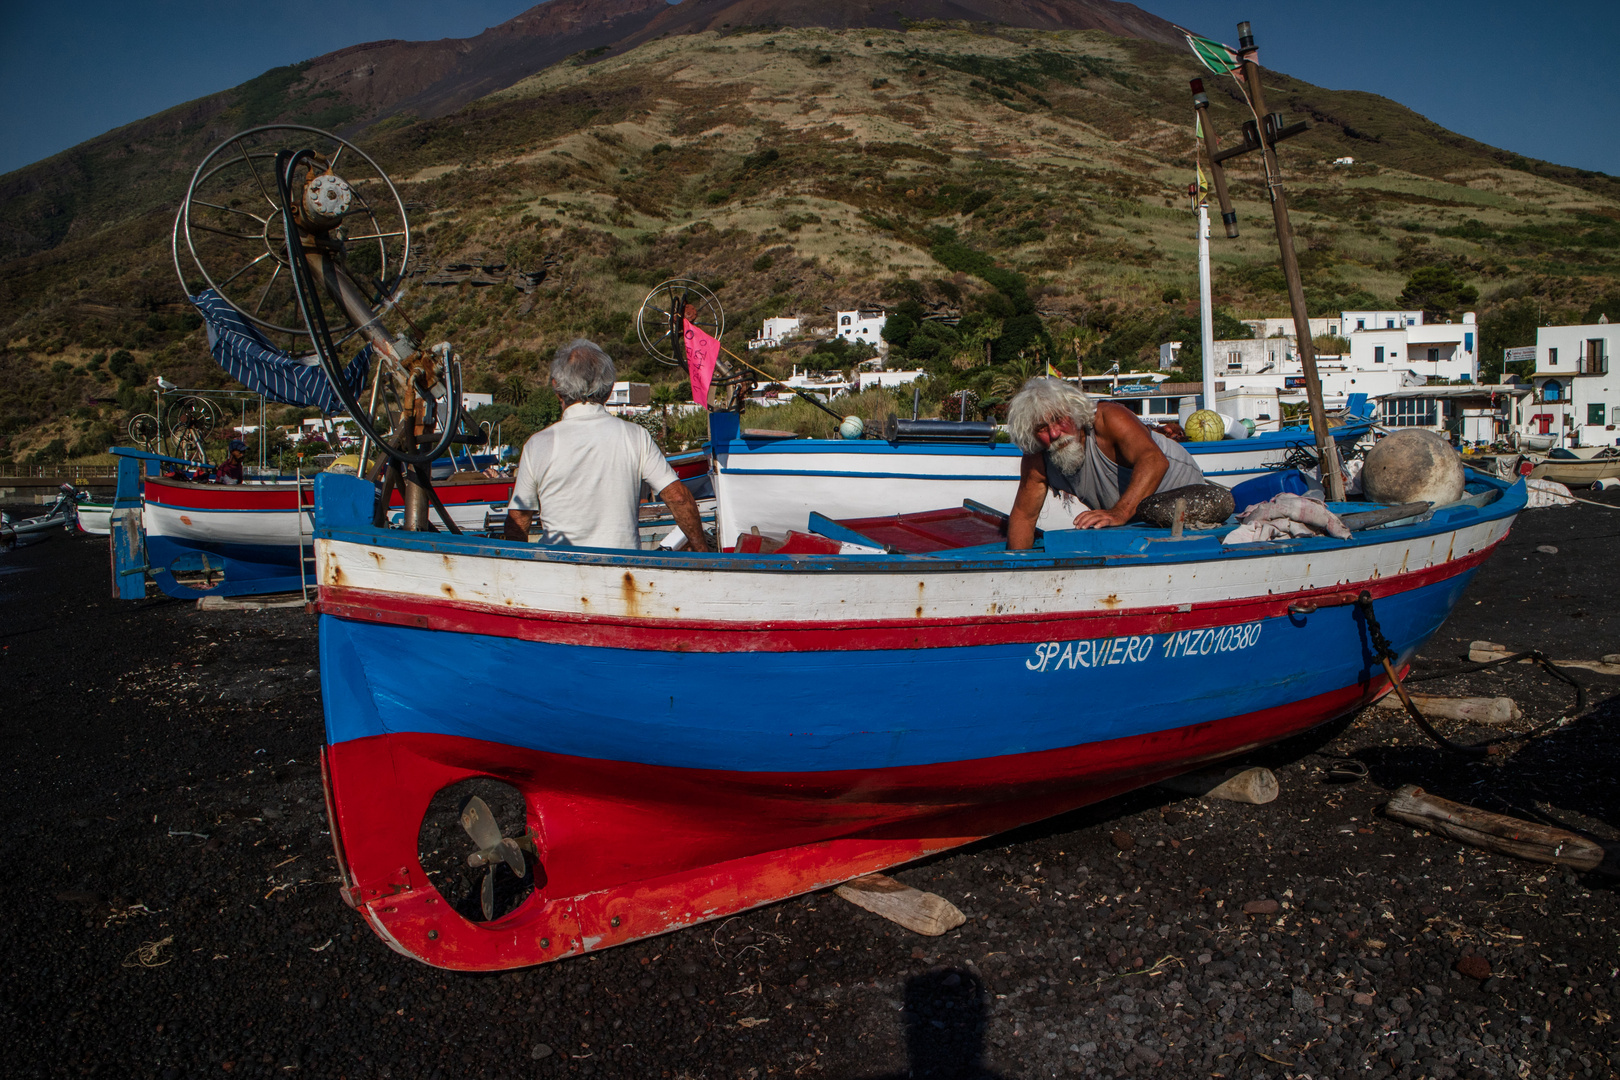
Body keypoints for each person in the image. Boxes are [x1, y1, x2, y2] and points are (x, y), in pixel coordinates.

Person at [503, 339, 710, 551]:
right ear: (610, 389)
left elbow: (519, 518)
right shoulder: (635, 436)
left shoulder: (538, 444)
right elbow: (678, 498)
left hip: (560, 569)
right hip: (624, 571)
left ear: (557, 389)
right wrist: (702, 553)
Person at [1004, 377, 1205, 548]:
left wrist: (1120, 512)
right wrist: (1014, 571)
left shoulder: (1107, 418)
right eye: (1042, 428)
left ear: (1073, 411)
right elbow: (1024, 517)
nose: (1054, 433)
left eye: (1058, 419)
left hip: (1187, 500)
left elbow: (1153, 460)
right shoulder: (1038, 455)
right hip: (1131, 521)